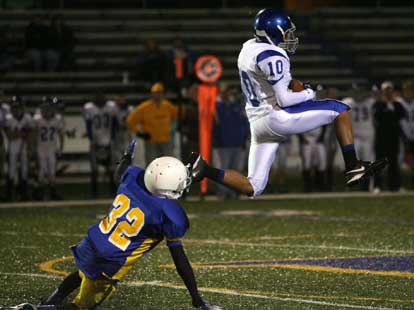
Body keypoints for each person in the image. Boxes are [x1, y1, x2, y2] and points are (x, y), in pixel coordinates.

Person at [186, 9, 386, 196]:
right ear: (274, 33)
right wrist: (308, 93)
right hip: (276, 117)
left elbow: (264, 82)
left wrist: (289, 84)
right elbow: (285, 99)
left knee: (253, 186)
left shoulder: (248, 48)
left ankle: (205, 170)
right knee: (340, 110)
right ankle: (353, 166)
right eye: (286, 33)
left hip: (257, 123)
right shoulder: (274, 55)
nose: (290, 39)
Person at [36, 141, 220, 310]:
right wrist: (196, 299)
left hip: (93, 241)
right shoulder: (171, 213)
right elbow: (180, 262)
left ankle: (50, 300)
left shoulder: (133, 177)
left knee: (83, 272)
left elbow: (120, 172)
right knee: (82, 307)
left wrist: (126, 156)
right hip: (110, 261)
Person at [126, 82, 178, 165]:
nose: (158, 95)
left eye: (160, 93)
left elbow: (176, 116)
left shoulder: (167, 106)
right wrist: (139, 133)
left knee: (167, 165)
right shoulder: (144, 107)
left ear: (163, 94)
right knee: (152, 166)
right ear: (152, 94)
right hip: (151, 142)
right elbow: (130, 121)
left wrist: (173, 130)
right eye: (155, 93)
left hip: (166, 142)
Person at [212, 85, 249, 198]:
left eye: (228, 92)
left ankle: (234, 191)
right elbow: (213, 126)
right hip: (222, 145)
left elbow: (244, 124)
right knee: (223, 169)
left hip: (237, 143)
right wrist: (216, 141)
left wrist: (243, 139)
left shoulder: (236, 106)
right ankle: (222, 192)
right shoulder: (216, 107)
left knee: (236, 170)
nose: (227, 94)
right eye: (225, 92)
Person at [83, 92, 118, 197]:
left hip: (106, 141)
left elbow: (115, 124)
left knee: (110, 168)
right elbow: (88, 125)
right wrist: (91, 139)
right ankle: (95, 192)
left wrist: (112, 137)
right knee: (95, 169)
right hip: (97, 141)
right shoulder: (90, 108)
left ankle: (112, 191)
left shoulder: (110, 107)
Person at [373, 81, 404, 192]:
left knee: (394, 163)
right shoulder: (378, 104)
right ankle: (377, 186)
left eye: (390, 90)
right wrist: (385, 105)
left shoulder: (397, 104)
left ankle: (394, 186)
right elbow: (378, 117)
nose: (388, 92)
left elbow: (401, 116)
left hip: (393, 138)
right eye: (386, 90)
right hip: (381, 138)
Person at [33, 99, 65, 200]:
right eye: (45, 108)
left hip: (51, 148)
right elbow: (34, 135)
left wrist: (61, 147)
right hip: (41, 148)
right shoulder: (37, 119)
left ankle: (52, 192)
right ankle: (39, 193)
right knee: (41, 171)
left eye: (49, 108)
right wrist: (32, 148)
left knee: (52, 171)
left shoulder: (57, 119)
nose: (47, 110)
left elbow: (60, 134)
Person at [344, 92, 376, 191]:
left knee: (368, 163)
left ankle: (367, 186)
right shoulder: (348, 102)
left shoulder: (371, 102)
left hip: (368, 137)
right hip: (355, 137)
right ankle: (352, 185)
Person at [4, 96, 33, 201]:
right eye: (14, 107)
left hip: (23, 146)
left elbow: (30, 134)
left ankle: (23, 193)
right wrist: (21, 133)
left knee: (24, 170)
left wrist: (29, 146)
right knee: (11, 170)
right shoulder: (8, 118)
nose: (16, 109)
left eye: (18, 106)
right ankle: (9, 193)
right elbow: (9, 136)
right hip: (12, 147)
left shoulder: (27, 118)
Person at [397, 80, 414, 189]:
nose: (408, 92)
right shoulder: (398, 103)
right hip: (402, 136)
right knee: (400, 162)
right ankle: (400, 185)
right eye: (406, 90)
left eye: (410, 90)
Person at [299, 126, 327, 192]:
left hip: (318, 139)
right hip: (306, 139)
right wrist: (302, 138)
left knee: (321, 162)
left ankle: (320, 185)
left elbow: (324, 125)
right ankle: (307, 186)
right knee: (307, 164)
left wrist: (322, 136)